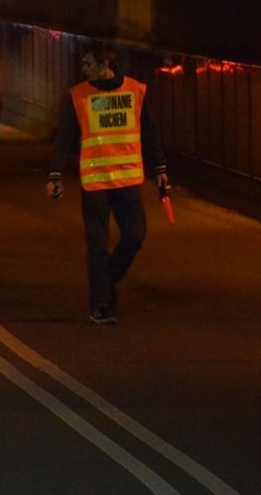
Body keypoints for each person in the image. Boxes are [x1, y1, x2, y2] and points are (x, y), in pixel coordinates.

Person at [46, 43, 169, 325]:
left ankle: (107, 281)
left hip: (126, 179)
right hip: (95, 183)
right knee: (97, 246)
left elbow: (150, 132)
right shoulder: (79, 95)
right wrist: (55, 174)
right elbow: (64, 137)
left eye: (88, 64)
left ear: (105, 66)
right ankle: (100, 305)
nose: (83, 70)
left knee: (135, 236)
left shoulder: (135, 90)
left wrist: (160, 168)